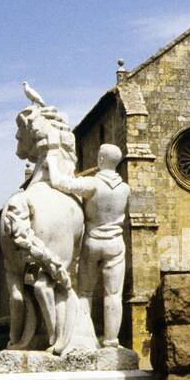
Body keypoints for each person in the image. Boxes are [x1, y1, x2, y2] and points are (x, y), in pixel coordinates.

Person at [46, 143, 130, 347]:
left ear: (101, 160)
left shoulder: (92, 184)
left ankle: (85, 339)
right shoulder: (126, 189)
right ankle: (111, 341)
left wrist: (50, 161)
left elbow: (59, 182)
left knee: (85, 292)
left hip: (93, 241)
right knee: (113, 295)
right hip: (116, 244)